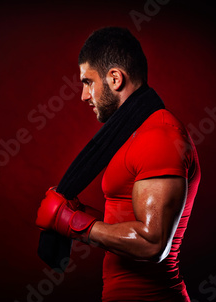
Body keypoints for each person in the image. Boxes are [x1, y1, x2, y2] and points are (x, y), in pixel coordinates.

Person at [36, 27, 201, 301]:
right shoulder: (133, 133)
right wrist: (83, 214)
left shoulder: (158, 136)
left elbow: (153, 243)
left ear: (115, 78)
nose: (84, 95)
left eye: (88, 82)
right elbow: (129, 222)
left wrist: (74, 223)